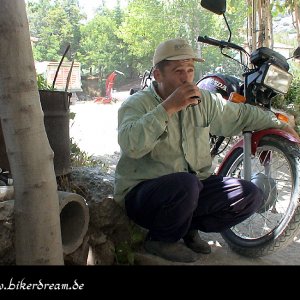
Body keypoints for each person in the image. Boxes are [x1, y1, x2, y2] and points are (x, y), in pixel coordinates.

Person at [114, 38, 300, 263]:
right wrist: (169, 107)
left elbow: (241, 115)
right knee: (186, 184)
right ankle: (161, 238)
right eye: (178, 71)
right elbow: (131, 145)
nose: (186, 77)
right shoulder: (136, 104)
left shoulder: (204, 100)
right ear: (158, 75)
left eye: (190, 70)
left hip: (191, 188)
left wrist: (280, 123)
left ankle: (187, 227)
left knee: (250, 194)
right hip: (144, 195)